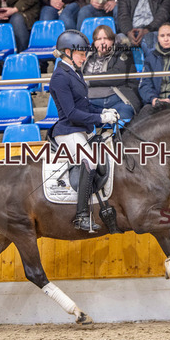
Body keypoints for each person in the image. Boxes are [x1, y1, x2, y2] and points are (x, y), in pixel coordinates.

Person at [49, 30, 119, 231]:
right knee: (89, 161)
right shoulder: (59, 77)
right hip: (68, 131)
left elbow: (85, 106)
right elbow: (71, 113)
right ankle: (81, 216)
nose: (84, 58)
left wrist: (103, 111)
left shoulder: (75, 72)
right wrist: (100, 119)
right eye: (81, 54)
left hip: (82, 129)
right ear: (68, 52)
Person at [82, 25, 141, 119]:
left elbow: (117, 76)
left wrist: (90, 80)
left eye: (106, 38)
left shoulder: (123, 51)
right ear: (94, 42)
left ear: (113, 40)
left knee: (124, 118)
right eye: (98, 39)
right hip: (91, 103)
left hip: (118, 101)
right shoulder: (87, 55)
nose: (102, 42)